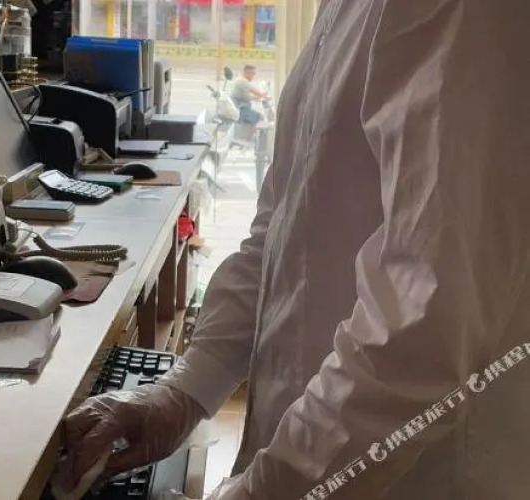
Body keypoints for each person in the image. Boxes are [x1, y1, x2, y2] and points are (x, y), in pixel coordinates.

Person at [60, 0, 530, 498]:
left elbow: (426, 319)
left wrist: (264, 491)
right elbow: (278, 231)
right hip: (306, 455)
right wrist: (185, 391)